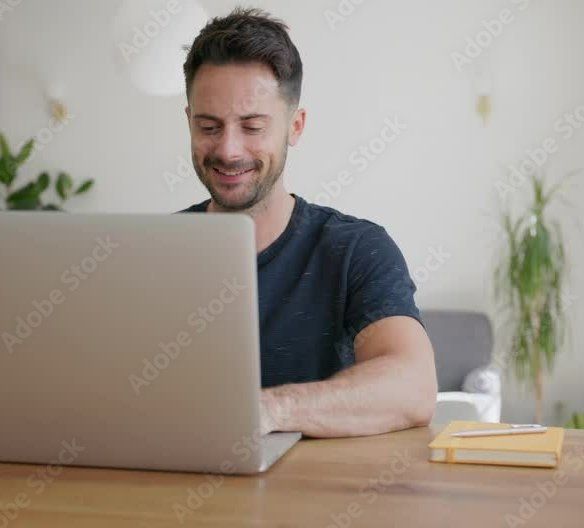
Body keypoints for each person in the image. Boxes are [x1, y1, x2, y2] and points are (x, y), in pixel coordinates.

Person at [179, 7, 436, 438]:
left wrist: (266, 411)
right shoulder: (156, 253)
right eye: (209, 127)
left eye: (252, 127)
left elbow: (414, 388)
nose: (228, 149)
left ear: (295, 127)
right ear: (189, 122)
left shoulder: (356, 249)